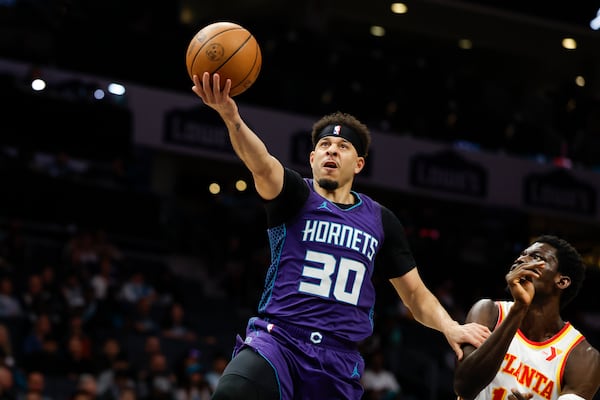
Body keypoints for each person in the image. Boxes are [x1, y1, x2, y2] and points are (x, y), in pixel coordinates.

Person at [191, 72, 491, 400]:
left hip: (338, 359)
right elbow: (260, 163)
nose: (332, 151)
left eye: (342, 146)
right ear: (312, 158)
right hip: (279, 342)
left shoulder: (381, 220)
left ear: (358, 163)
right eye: (324, 145)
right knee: (234, 389)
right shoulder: (294, 195)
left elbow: (416, 296)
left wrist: (451, 326)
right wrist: (231, 117)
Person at [453, 235, 600, 400]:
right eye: (522, 254)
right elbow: (463, 387)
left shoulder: (582, 356)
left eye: (536, 257)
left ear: (562, 281)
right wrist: (519, 308)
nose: (522, 259)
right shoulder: (489, 312)